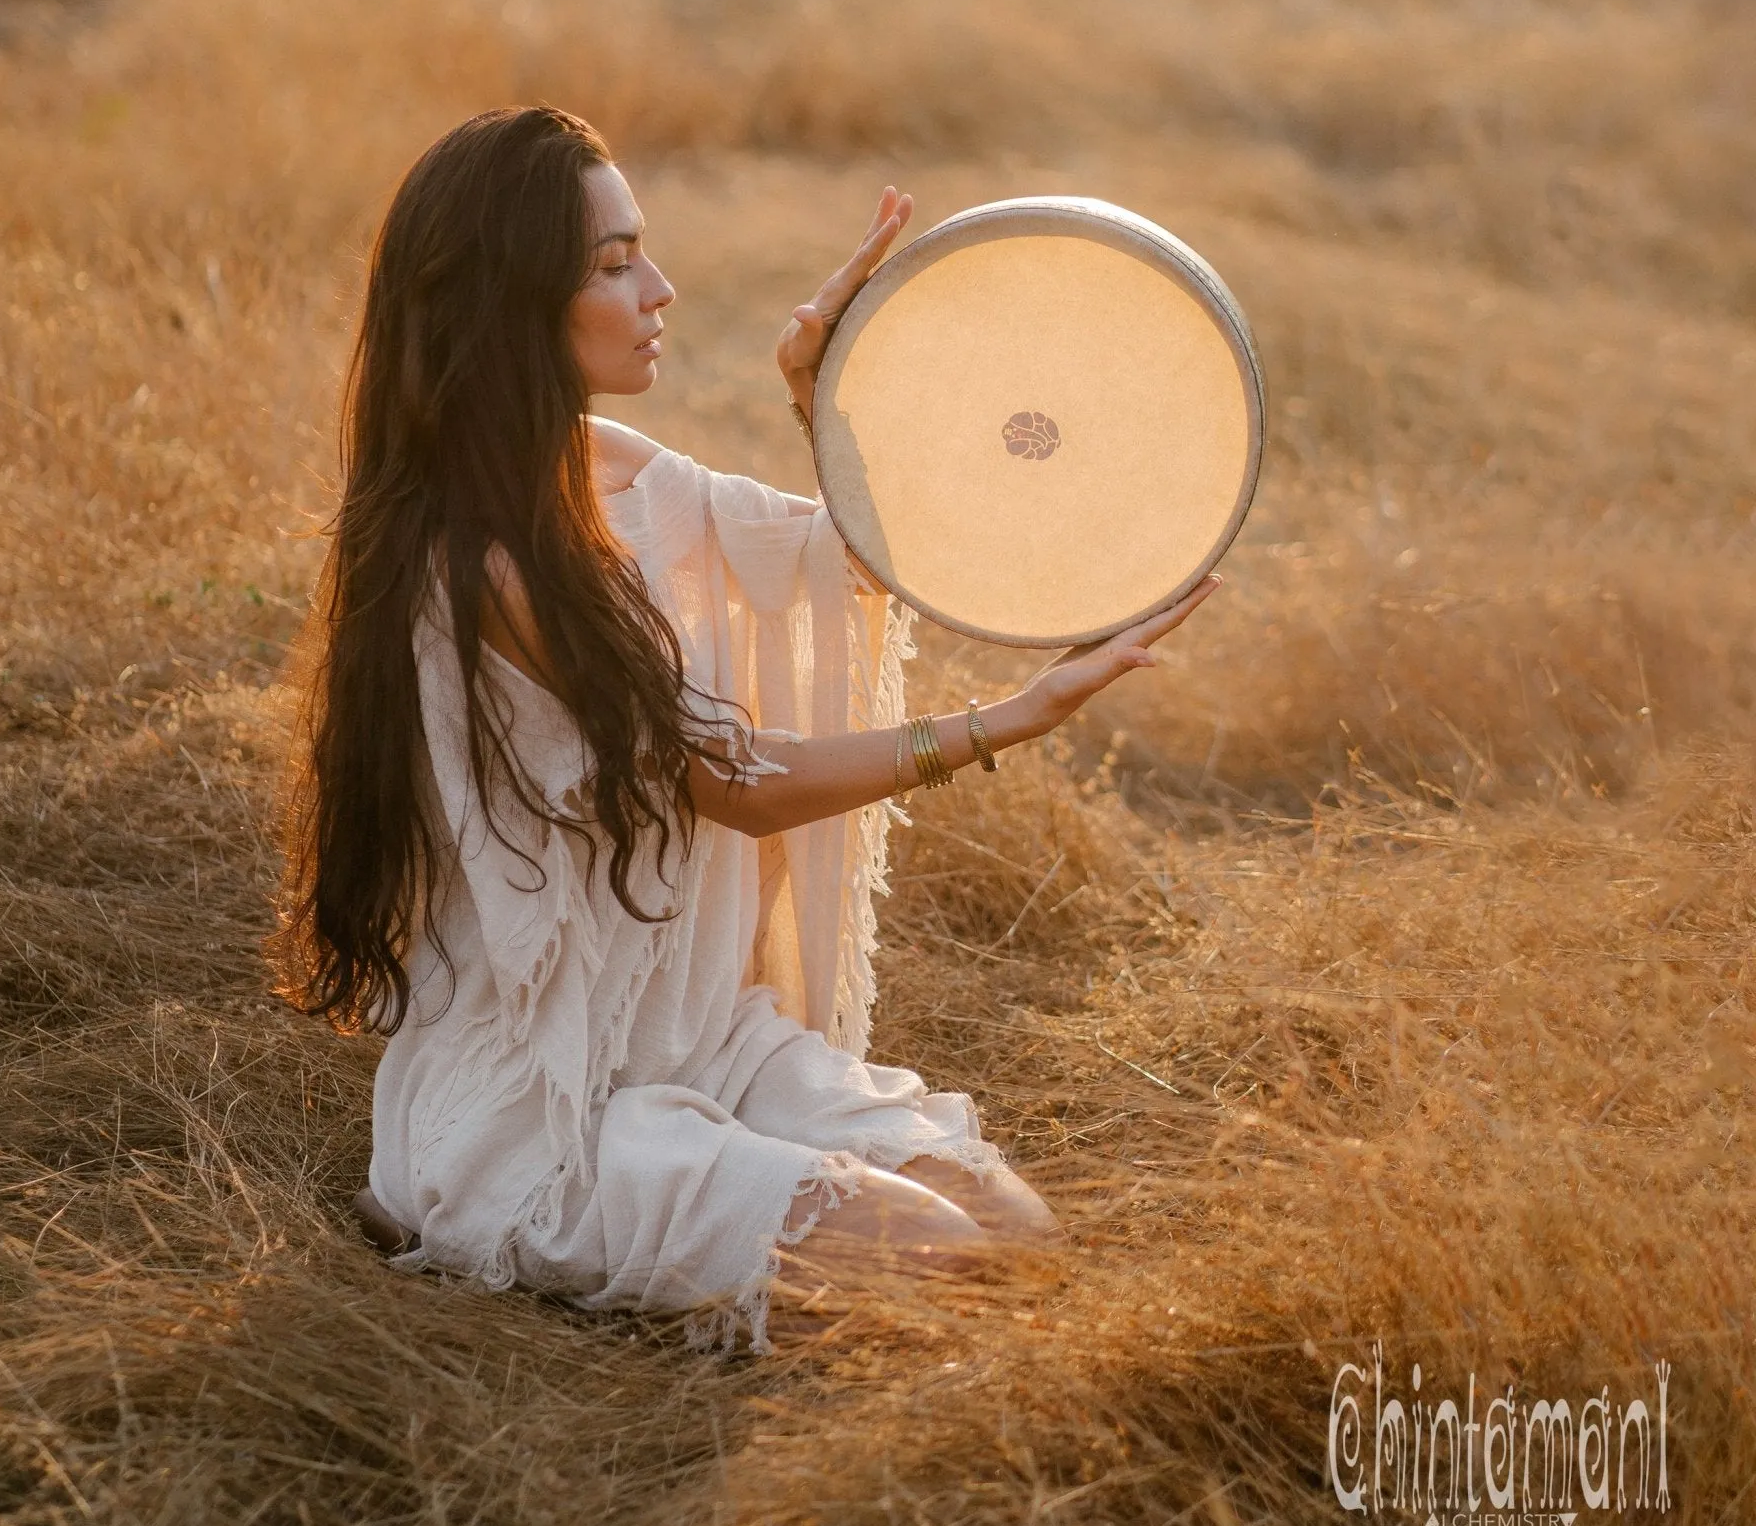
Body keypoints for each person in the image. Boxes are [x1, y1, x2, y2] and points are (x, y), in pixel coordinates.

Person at [270, 106, 1217, 1351]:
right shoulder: (489, 560)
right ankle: (472, 1212)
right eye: (609, 265)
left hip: (701, 1035)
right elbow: (741, 783)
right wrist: (1003, 721)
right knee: (938, 1265)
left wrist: (821, 398)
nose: (656, 289)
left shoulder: (610, 467)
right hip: (554, 1100)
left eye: (641, 250)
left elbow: (840, 562)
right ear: (507, 300)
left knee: (1006, 1222)